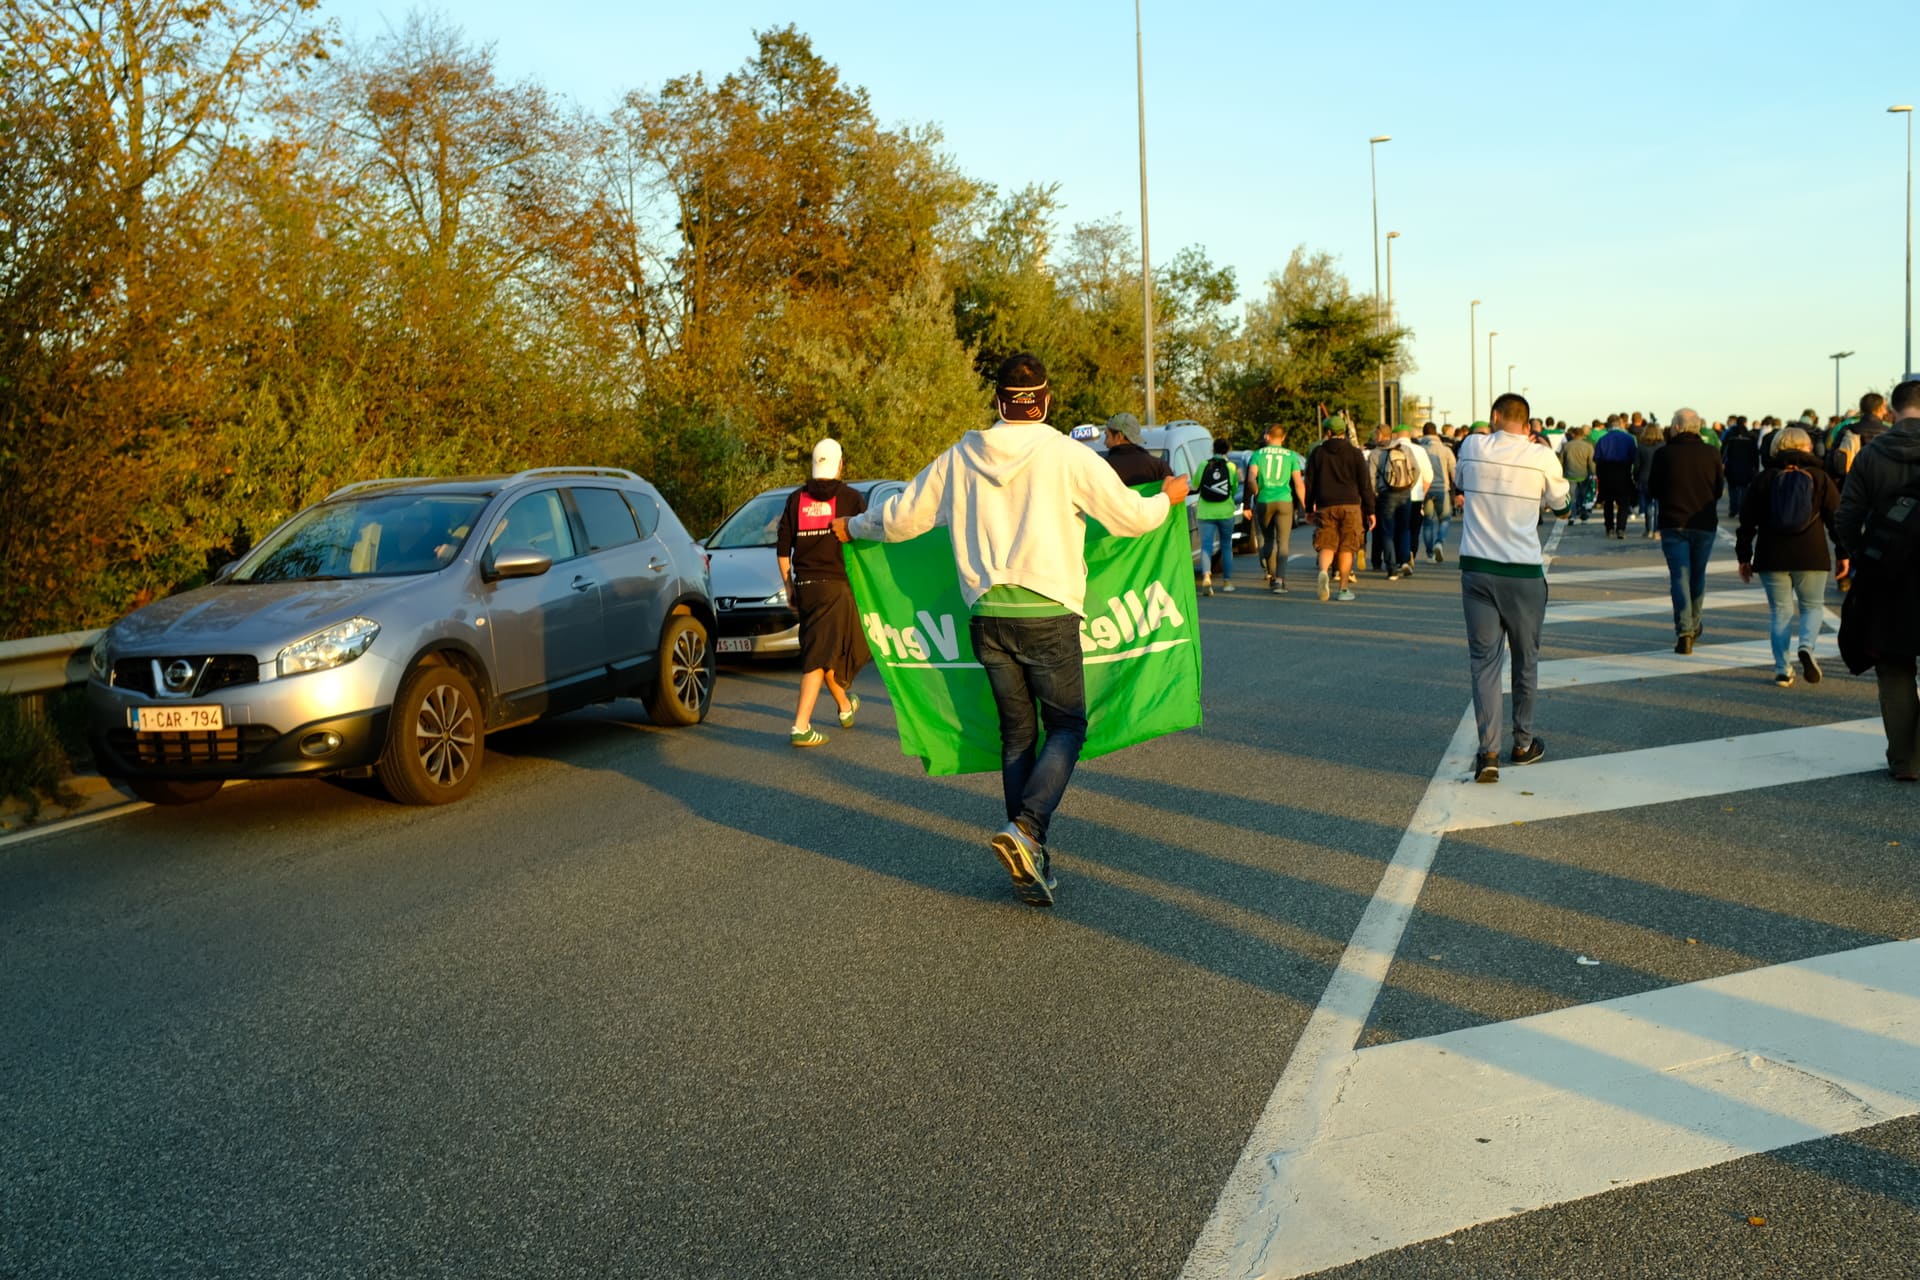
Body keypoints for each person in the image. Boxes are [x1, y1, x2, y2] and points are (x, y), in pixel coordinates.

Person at [836, 352, 1188, 906]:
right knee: (1068, 725)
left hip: (988, 616)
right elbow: (1130, 518)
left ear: (998, 402)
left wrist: (851, 526)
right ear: (1044, 401)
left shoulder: (960, 457)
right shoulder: (1066, 455)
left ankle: (1031, 856)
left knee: (1018, 735)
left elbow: (901, 518)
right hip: (1048, 613)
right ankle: (1027, 830)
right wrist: (1166, 500)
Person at [1457, 393, 1571, 784]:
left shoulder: (1471, 446)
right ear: (1528, 423)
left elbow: (1461, 481)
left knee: (1484, 663)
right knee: (1525, 659)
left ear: (1494, 417)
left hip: (1476, 570)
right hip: (1522, 573)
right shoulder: (1541, 456)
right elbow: (1562, 504)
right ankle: (1522, 743)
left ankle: (1487, 753)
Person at [1835, 378, 1920, 780]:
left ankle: (1906, 761)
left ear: (1889, 410)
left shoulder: (1870, 455)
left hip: (1888, 575)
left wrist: (1861, 555)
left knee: (1895, 666)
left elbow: (1847, 515)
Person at [778, 439, 870, 747]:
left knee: (822, 647)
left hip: (805, 586)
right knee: (821, 654)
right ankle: (800, 726)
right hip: (836, 587)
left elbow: (782, 548)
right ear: (840, 464)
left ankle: (845, 706)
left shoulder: (795, 499)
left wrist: (789, 585)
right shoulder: (851, 499)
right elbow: (867, 543)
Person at [1735, 426, 1843, 687]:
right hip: (1811, 553)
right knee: (1812, 606)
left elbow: (1747, 520)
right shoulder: (1819, 477)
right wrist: (1844, 552)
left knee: (1780, 612)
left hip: (1772, 554)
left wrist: (1744, 556)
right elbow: (1836, 519)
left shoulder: (1764, 479)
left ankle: (1783, 669)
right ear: (1807, 447)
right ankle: (1806, 645)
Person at [1648, 408, 1725, 654]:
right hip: (1703, 523)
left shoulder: (1664, 454)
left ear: (1678, 427)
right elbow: (1718, 489)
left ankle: (1684, 631)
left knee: (1679, 577)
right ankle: (1695, 622)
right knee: (1697, 575)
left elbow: (1653, 489)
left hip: (1673, 521)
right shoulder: (1711, 453)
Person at [1305, 416, 1376, 602]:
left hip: (1325, 504)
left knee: (1326, 543)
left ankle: (1323, 572)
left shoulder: (1317, 453)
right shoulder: (1354, 453)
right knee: (1347, 546)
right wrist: (1370, 510)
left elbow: (1310, 483)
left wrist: (1308, 508)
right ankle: (1343, 589)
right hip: (1351, 505)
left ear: (1328, 432)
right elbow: (1365, 484)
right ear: (1343, 432)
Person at [1246, 423, 1307, 593]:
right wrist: (1304, 504)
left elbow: (1251, 479)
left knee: (1267, 540)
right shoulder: (1291, 455)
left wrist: (1257, 492)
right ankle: (1280, 580)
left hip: (1264, 500)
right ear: (1284, 437)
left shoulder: (1258, 455)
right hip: (1284, 500)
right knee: (1283, 542)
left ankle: (1272, 575)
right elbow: (1298, 483)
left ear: (1267, 436)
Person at [1373, 425, 1433, 579]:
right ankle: (1405, 560)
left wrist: (1377, 492)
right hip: (1406, 493)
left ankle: (1392, 568)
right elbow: (1417, 470)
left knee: (1387, 531)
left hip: (1386, 495)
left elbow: (1370, 478)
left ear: (1379, 435)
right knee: (1405, 528)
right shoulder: (1405, 450)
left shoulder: (1375, 453)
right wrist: (1409, 486)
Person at [1195, 436, 1241, 596]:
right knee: (1226, 546)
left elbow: (1195, 484)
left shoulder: (1203, 465)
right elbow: (1234, 489)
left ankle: (1207, 576)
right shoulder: (1231, 467)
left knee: (1206, 545)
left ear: (1213, 449)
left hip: (1205, 511)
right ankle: (1227, 582)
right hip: (1225, 511)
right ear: (1227, 450)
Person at [1592, 415, 1640, 538]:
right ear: (1621, 424)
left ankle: (1610, 528)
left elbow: (1597, 458)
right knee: (1623, 503)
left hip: (1606, 472)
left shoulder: (1603, 439)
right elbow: (1634, 457)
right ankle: (1621, 528)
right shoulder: (1629, 439)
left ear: (1608, 425)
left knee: (1608, 502)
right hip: (1623, 471)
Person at [1418, 422, 1458, 562]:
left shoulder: (1420, 449)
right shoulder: (1446, 450)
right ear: (1436, 433)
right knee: (1445, 519)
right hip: (1442, 489)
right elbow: (1454, 472)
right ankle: (1439, 542)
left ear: (1423, 433)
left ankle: (1430, 555)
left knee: (1428, 522)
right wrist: (1456, 491)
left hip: (1425, 489)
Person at [1102, 412, 1173, 486]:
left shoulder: (1103, 467)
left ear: (1119, 436)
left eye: (1107, 436)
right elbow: (1173, 495)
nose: (1105, 442)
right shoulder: (1159, 466)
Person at [1722, 419, 1761, 519]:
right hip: (1746, 467)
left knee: (1732, 489)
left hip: (1732, 466)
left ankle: (1733, 509)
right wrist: (1755, 467)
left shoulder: (1730, 437)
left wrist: (1723, 464)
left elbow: (1724, 452)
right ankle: (1742, 509)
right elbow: (1755, 454)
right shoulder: (1750, 437)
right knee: (1744, 489)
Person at [1560, 426, 1596, 521]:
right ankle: (1583, 515)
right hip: (1584, 475)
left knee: (1571, 497)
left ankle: (1572, 515)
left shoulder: (1566, 446)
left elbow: (1561, 461)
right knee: (1584, 496)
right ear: (1583, 435)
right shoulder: (1588, 446)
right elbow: (1592, 462)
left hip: (1569, 475)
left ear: (1573, 434)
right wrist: (1593, 473)